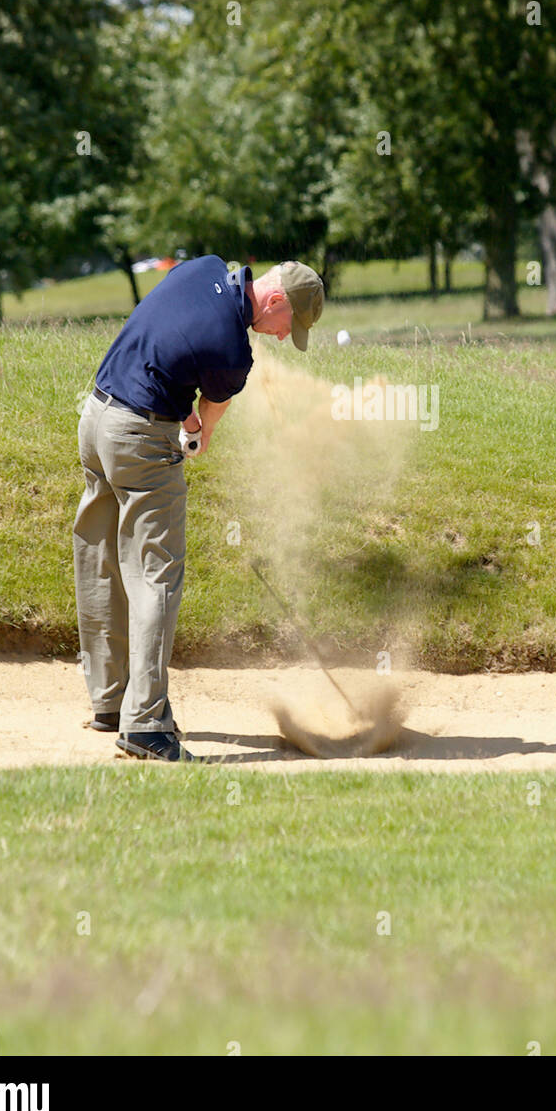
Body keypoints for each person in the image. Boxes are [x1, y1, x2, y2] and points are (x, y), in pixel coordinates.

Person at [72, 257, 324, 762]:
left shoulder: (199, 268)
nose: (280, 337)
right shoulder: (234, 352)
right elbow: (204, 426)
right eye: (285, 327)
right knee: (156, 575)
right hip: (138, 437)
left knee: (99, 559)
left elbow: (171, 337)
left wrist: (181, 410)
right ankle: (144, 725)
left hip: (96, 419)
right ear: (275, 301)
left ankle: (112, 700)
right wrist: (193, 434)